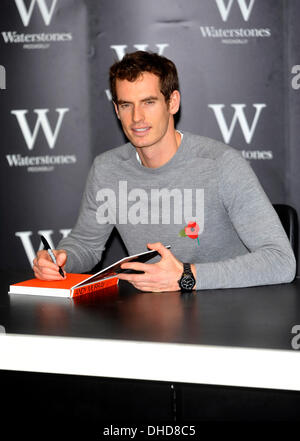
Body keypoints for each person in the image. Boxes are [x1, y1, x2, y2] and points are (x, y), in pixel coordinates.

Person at [33, 51, 296, 291]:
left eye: (148, 102)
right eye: (126, 105)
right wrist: (61, 259)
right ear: (116, 109)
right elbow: (86, 246)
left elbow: (281, 261)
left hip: (227, 316)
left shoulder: (221, 164)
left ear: (172, 102)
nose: (137, 117)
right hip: (150, 321)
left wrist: (186, 276)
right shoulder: (107, 169)